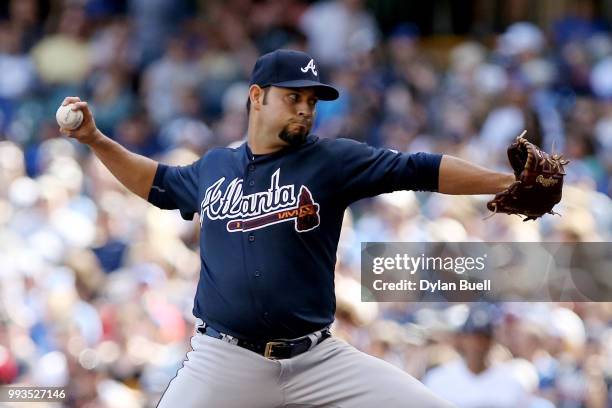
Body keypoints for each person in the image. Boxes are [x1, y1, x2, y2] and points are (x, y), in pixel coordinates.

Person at [60, 49, 516, 408]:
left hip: (318, 359)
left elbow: (418, 168)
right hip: (225, 360)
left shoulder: (332, 160)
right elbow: (157, 183)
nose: (305, 109)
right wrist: (96, 140)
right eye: (293, 97)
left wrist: (508, 183)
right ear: (257, 97)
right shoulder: (215, 167)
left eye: (312, 101)